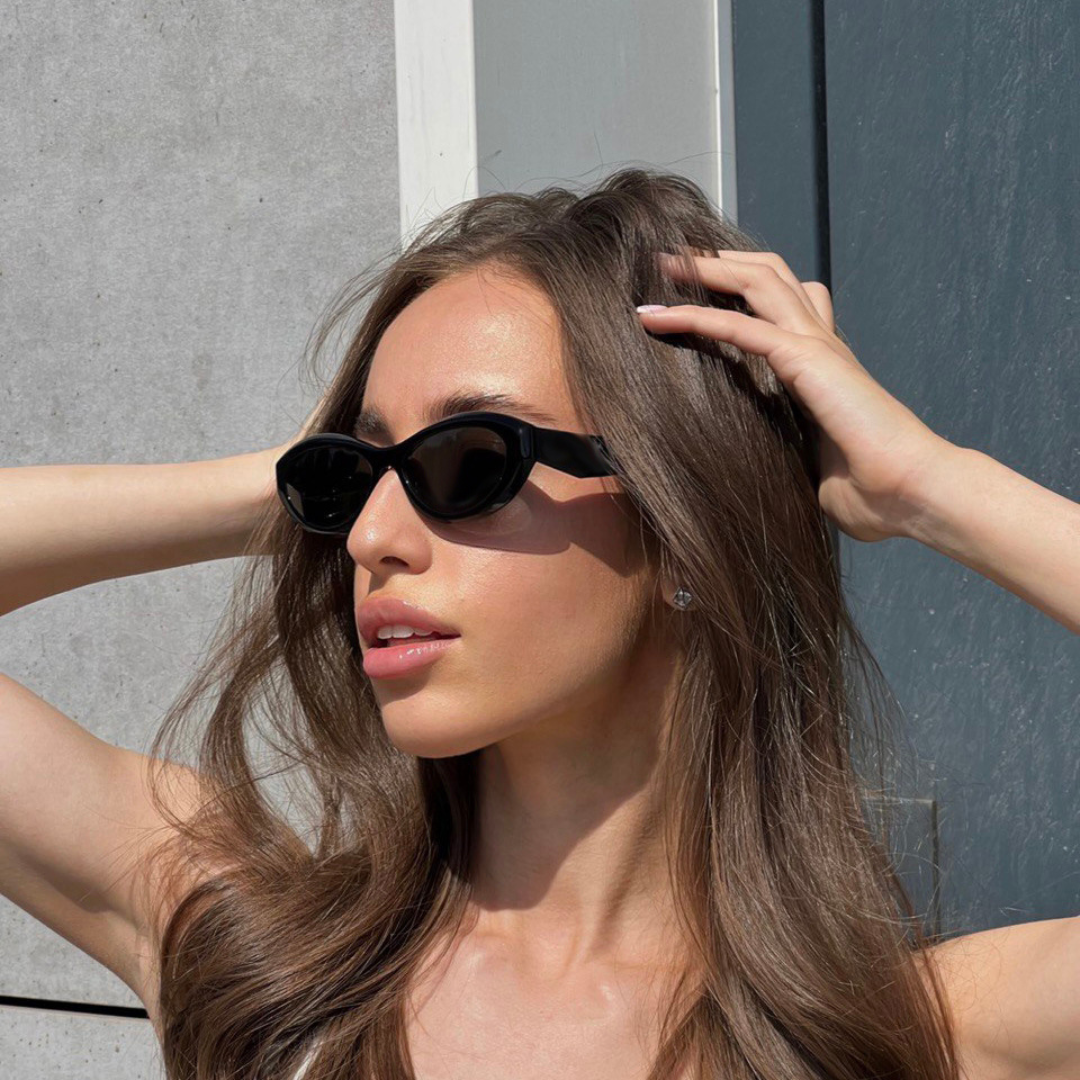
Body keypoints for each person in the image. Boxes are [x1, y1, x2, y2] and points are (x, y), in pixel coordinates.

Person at [1, 167, 1077, 1080]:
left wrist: (929, 485)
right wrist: (294, 484)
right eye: (353, 481)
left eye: (470, 463)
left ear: (676, 526)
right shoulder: (277, 969)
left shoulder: (894, 1038)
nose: (374, 538)